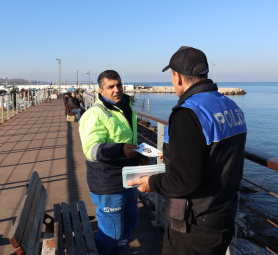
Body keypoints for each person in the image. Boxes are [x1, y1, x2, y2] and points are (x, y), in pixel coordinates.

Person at [128, 46, 247, 255]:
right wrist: (175, 154)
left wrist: (152, 183)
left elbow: (184, 181)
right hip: (224, 215)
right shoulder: (231, 106)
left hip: (195, 225)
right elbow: (215, 155)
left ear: (178, 77)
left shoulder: (188, 113)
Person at [79, 70, 142, 255]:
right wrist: (120, 150)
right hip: (108, 182)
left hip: (129, 177)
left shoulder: (126, 108)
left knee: (131, 223)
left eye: (119, 85)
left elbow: (130, 138)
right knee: (111, 232)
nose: (116, 90)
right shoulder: (95, 114)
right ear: (101, 91)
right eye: (111, 87)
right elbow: (91, 150)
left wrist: (141, 154)